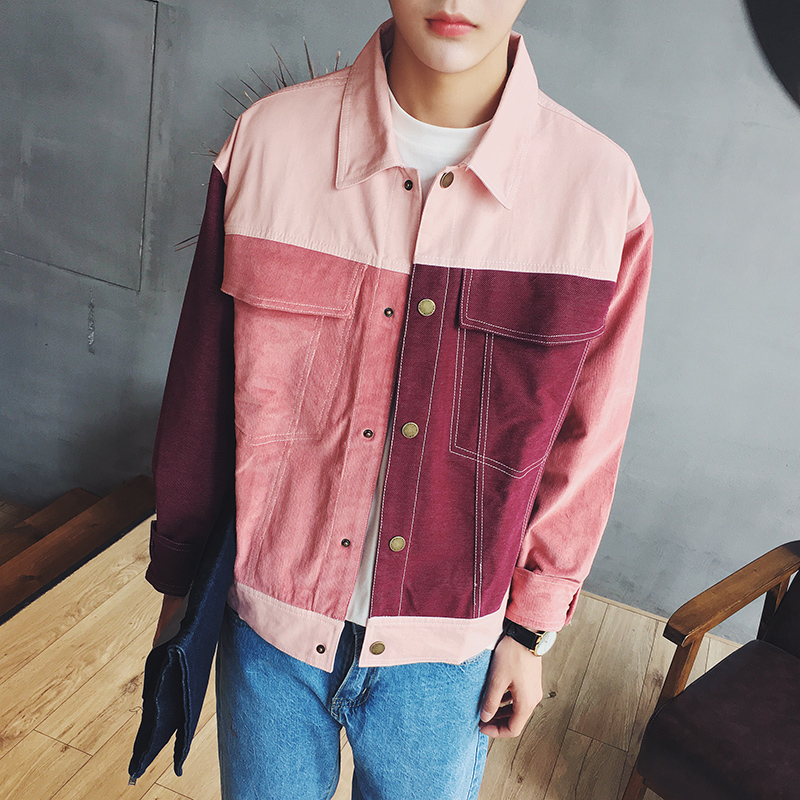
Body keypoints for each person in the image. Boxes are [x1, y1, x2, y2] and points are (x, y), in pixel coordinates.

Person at [147, 1, 653, 798]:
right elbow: (200, 393)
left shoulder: (599, 193)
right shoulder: (268, 143)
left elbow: (588, 439)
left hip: (449, 658)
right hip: (268, 631)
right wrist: (179, 585)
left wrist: (529, 630)